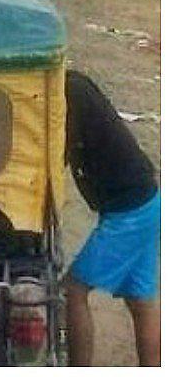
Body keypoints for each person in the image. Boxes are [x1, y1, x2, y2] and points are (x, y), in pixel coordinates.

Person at [63, 70, 161, 367]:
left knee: (73, 289)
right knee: (140, 301)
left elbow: (56, 155)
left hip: (130, 211)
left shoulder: (63, 94)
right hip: (145, 201)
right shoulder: (73, 83)